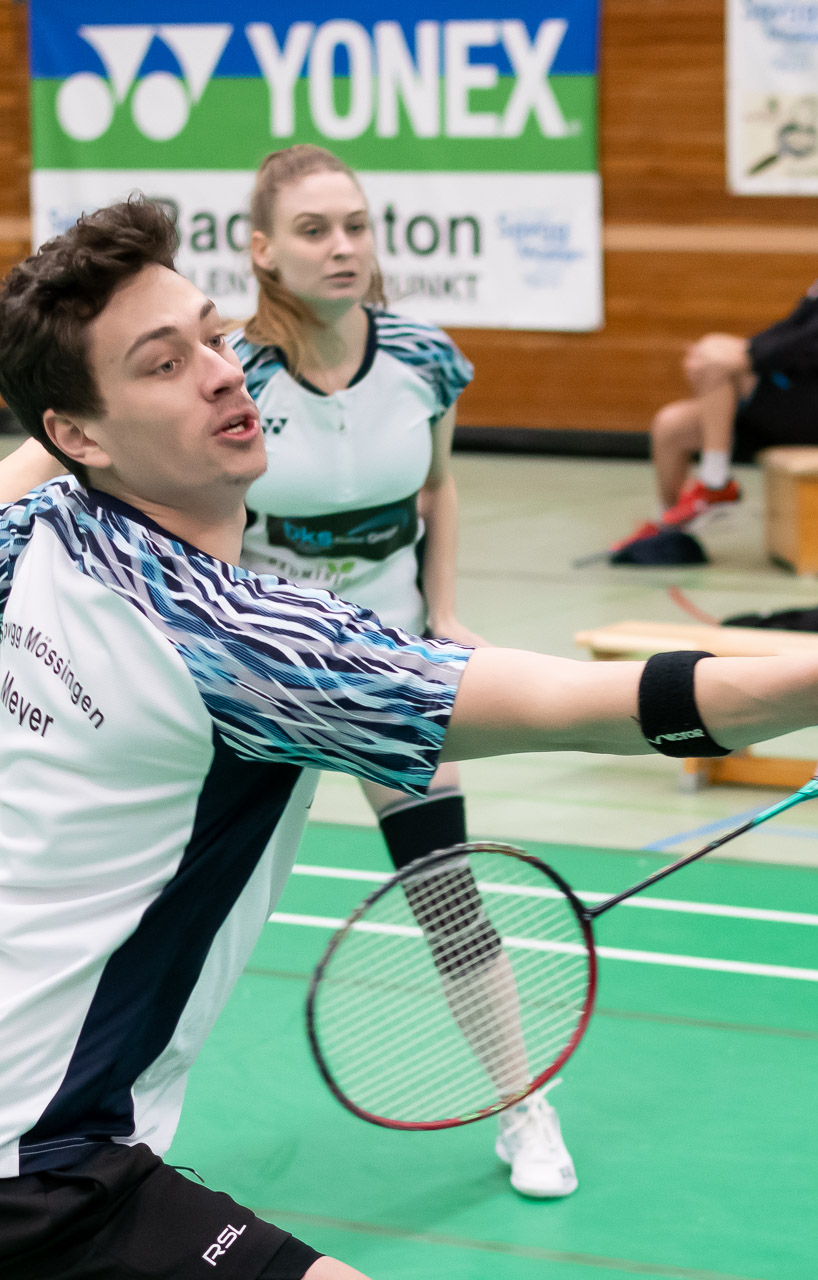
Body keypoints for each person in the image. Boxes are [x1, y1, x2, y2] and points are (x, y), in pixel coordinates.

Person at [0, 197, 818, 1280]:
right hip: (27, 1157)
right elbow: (575, 704)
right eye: (163, 364)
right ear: (75, 431)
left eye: (213, 335)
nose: (221, 372)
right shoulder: (248, 646)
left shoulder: (50, 533)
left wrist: (69, 427)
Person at [225, 146, 576, 1196]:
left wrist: (445, 613)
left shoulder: (424, 356)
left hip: (387, 666)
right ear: (263, 249)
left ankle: (522, 1104)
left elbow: (438, 489)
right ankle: (114, 1121)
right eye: (314, 230)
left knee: (446, 890)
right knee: (197, 903)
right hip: (264, 673)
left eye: (355, 225)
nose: (342, 247)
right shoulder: (230, 373)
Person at [620, 203, 818, 544]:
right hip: (794, 407)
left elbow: (811, 342)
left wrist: (740, 358)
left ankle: (714, 482)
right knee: (670, 425)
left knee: (721, 358)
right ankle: (670, 532)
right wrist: (737, 353)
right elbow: (786, 330)